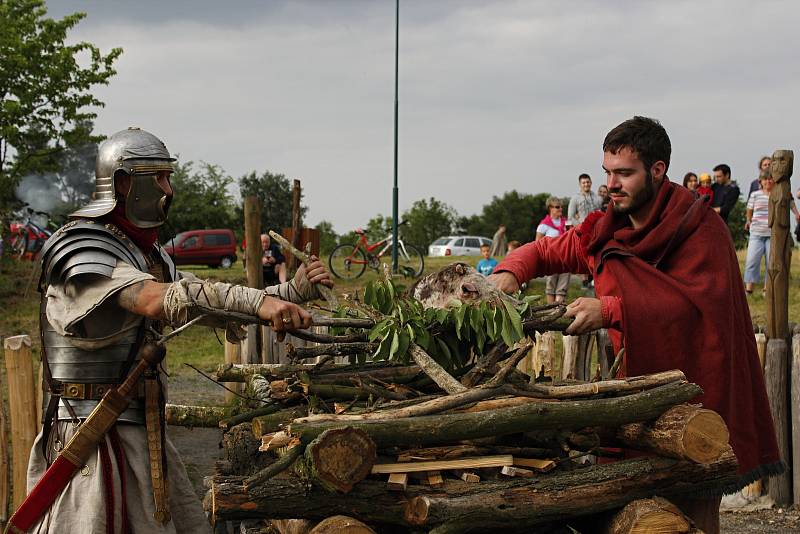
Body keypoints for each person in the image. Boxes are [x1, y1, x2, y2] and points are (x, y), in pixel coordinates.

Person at [27, 128, 333, 534]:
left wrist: (290, 292)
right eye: (159, 178)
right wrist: (261, 303)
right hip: (90, 441)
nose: (169, 189)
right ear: (123, 182)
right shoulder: (82, 252)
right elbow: (160, 300)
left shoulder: (146, 255)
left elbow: (204, 301)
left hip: (139, 433)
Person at [488, 116, 782, 534]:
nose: (612, 183)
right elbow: (548, 251)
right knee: (638, 519)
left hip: (700, 394)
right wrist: (510, 270)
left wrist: (609, 310)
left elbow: (694, 309)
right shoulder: (605, 229)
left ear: (657, 170)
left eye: (624, 173)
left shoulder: (703, 230)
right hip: (635, 393)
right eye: (608, 172)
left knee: (695, 511)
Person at [535, 197, 570, 303]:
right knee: (551, 285)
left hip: (565, 258)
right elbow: (538, 244)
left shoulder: (566, 222)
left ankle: (558, 310)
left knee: (562, 286)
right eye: (557, 207)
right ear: (550, 208)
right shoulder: (543, 225)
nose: (560, 209)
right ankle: (550, 310)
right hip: (551, 258)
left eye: (561, 207)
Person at [744, 171, 773, 294]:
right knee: (751, 261)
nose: (768, 181)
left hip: (772, 234)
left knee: (770, 263)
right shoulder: (755, 194)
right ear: (760, 181)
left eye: (770, 179)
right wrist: (749, 221)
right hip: (756, 233)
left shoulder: (776, 195)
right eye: (765, 179)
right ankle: (749, 289)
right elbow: (749, 210)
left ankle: (767, 288)